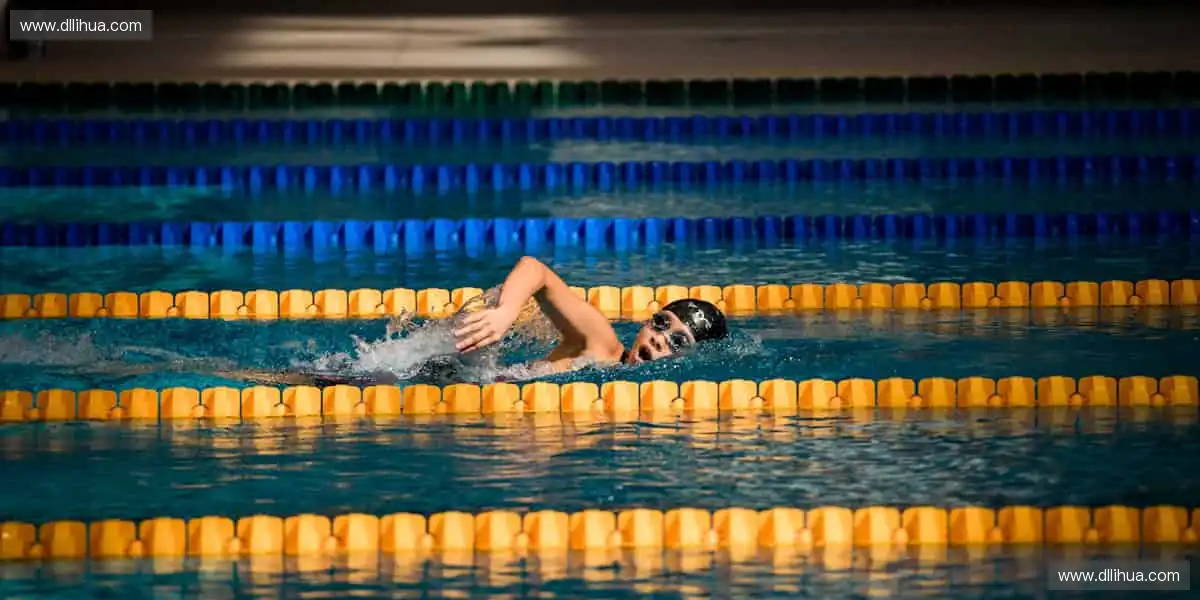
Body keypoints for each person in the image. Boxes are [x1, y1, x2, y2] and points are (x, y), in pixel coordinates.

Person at [452, 256, 729, 373]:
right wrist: (506, 311)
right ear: (647, 321)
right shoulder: (601, 344)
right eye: (661, 324)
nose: (660, 339)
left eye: (677, 342)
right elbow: (535, 269)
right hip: (454, 375)